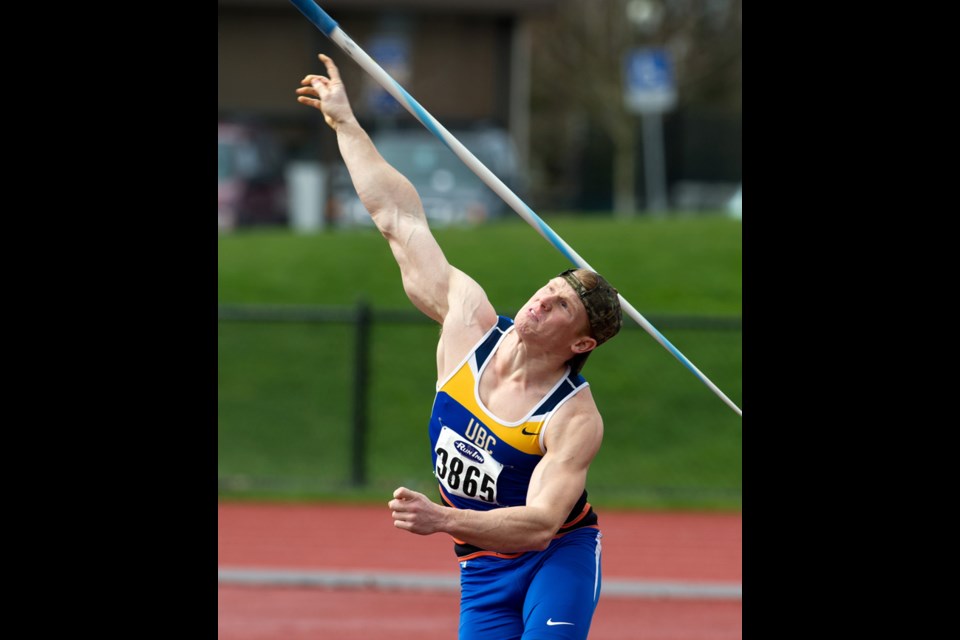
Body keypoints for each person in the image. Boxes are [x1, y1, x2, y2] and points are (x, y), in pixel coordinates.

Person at [296, 53, 623, 640]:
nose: (538, 303)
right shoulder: (466, 324)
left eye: (559, 306)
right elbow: (399, 218)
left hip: (557, 559)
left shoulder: (574, 417)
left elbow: (541, 525)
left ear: (581, 341)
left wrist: (441, 518)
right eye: (545, 291)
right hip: (481, 571)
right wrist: (347, 124)